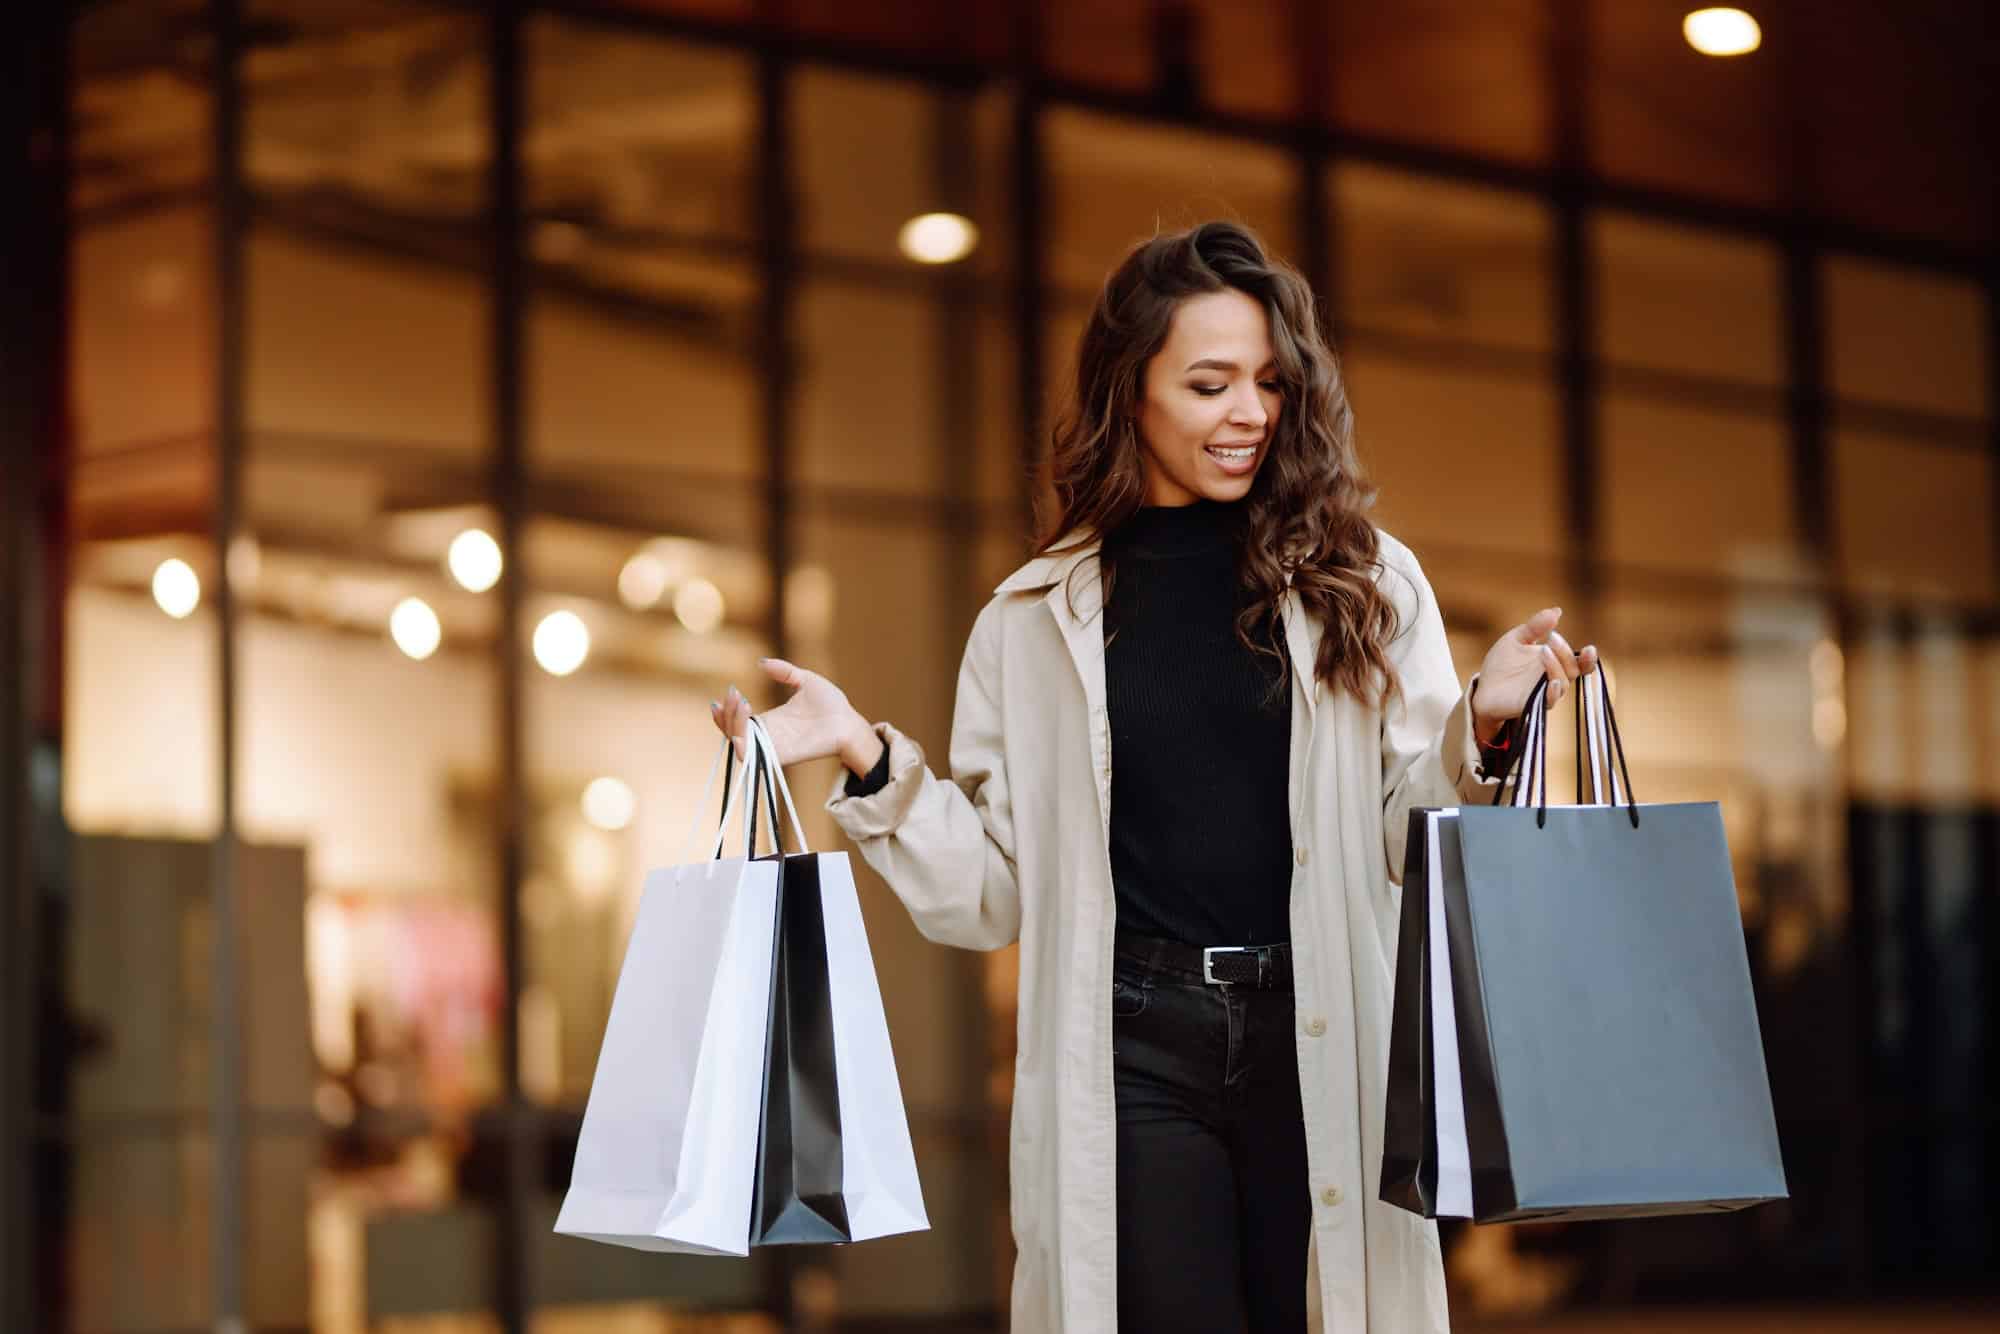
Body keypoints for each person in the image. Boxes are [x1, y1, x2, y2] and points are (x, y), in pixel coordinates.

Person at [711, 220, 1596, 1333]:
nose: (1249, 415)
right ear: (1130, 393)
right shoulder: (1033, 619)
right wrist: (867, 756)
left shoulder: (1362, 582)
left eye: (1269, 383)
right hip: (1130, 1043)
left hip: (1318, 1022)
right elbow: (990, 895)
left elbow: (1399, 833)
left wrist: (1481, 723)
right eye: (1209, 383)